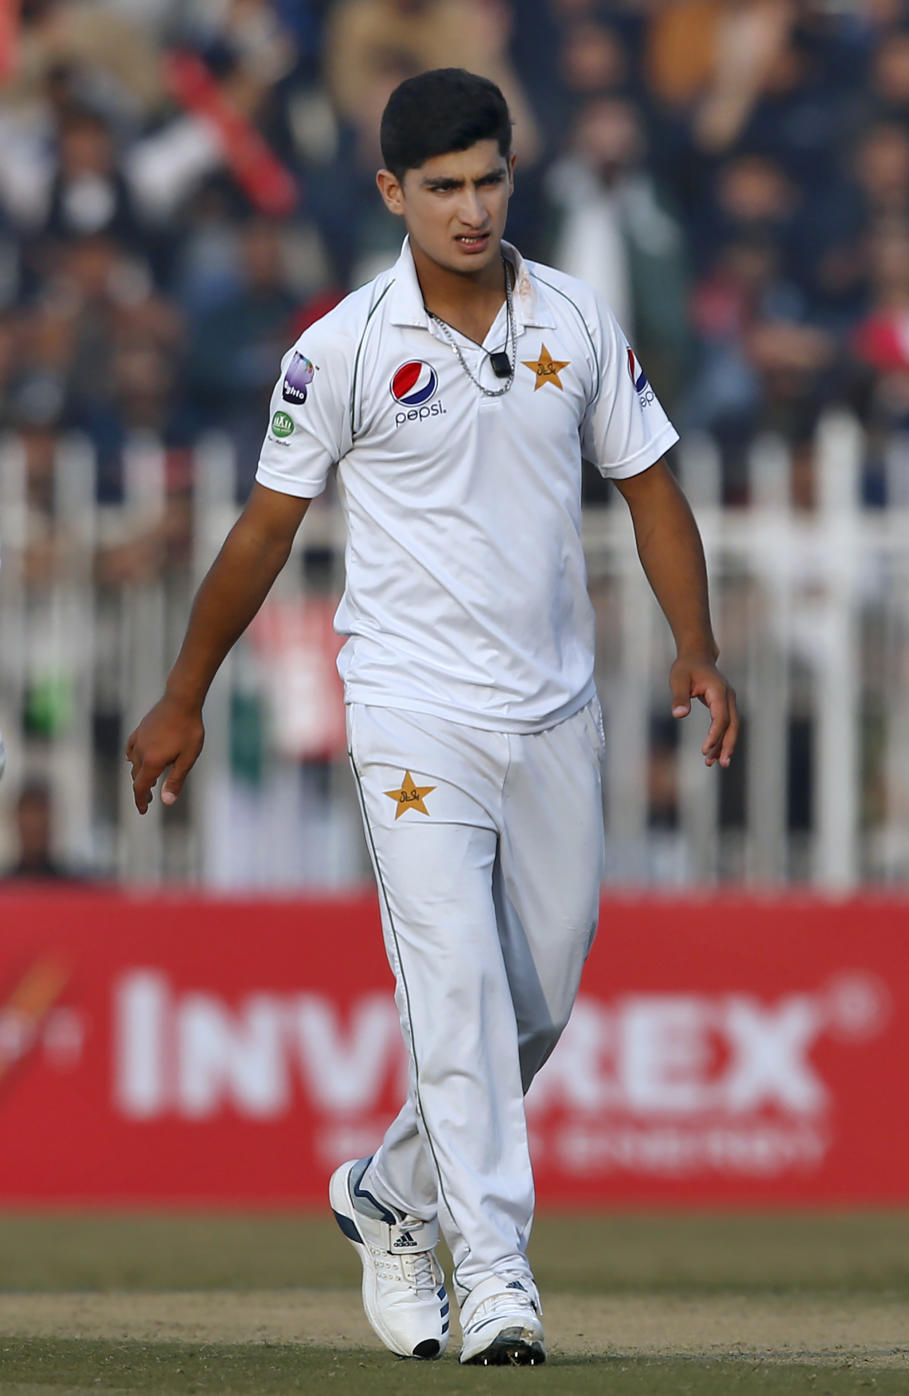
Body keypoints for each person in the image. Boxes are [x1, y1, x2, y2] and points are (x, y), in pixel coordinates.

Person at [125, 68, 738, 1367]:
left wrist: (697, 646)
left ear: (514, 175)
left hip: (556, 709)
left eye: (490, 179)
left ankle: (390, 1193)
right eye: (444, 187)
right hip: (410, 712)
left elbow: (654, 489)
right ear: (395, 193)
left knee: (536, 1005)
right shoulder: (341, 347)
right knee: (453, 986)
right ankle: (498, 1282)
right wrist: (183, 691)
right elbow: (264, 532)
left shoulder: (577, 317)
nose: (472, 209)